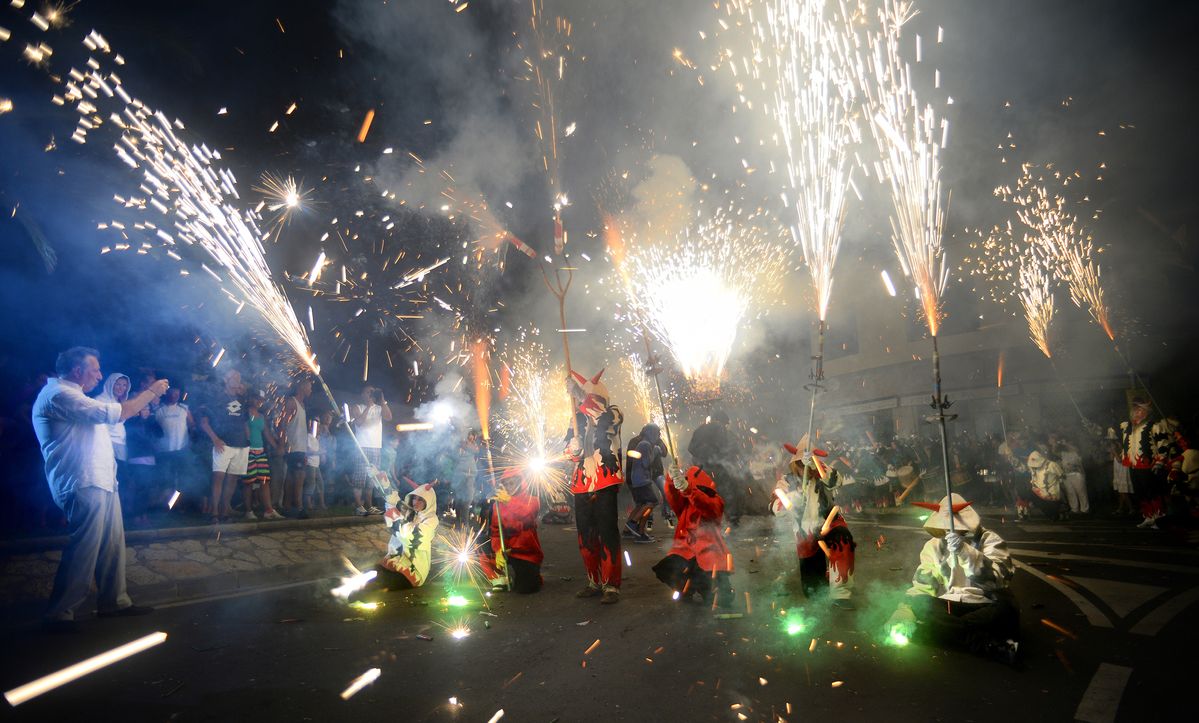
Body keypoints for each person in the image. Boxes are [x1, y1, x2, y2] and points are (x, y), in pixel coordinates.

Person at [31, 346, 168, 631]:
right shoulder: (59, 395)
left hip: (102, 480)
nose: (100, 374)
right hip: (83, 481)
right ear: (77, 370)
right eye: (95, 369)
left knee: (111, 546)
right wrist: (152, 390)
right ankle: (60, 613)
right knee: (85, 547)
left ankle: (114, 602)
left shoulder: (76, 395)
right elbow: (121, 413)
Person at [886, 493, 1019, 664]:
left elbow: (998, 579)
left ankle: (936, 633)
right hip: (951, 604)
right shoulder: (934, 546)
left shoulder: (989, 540)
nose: (950, 531)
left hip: (985, 603)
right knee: (920, 604)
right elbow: (923, 585)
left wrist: (965, 552)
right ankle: (986, 644)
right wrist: (903, 612)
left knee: (1007, 609)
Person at [770, 439, 854, 608]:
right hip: (804, 530)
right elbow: (775, 508)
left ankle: (840, 594)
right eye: (801, 464)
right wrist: (793, 500)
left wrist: (817, 465)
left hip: (830, 522)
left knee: (843, 540)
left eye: (807, 463)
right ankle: (820, 586)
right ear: (795, 464)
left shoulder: (822, 475)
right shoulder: (786, 481)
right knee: (813, 591)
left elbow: (837, 481)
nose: (804, 468)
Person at [565, 368, 624, 604]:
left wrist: (581, 396)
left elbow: (602, 420)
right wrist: (574, 449)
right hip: (582, 484)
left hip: (605, 479)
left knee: (607, 531)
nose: (591, 402)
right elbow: (567, 452)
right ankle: (594, 581)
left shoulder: (614, 412)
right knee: (586, 534)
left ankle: (611, 585)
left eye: (594, 398)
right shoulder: (575, 419)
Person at [653, 464, 734, 607]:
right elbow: (672, 496)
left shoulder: (715, 501)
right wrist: (671, 479)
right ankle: (687, 590)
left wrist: (689, 490)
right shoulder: (685, 504)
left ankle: (707, 589)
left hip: (709, 560)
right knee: (668, 568)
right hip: (687, 555)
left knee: (722, 599)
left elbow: (707, 506)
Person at [198, 369, 249, 524]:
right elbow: (204, 422)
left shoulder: (242, 400)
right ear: (226, 379)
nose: (238, 381)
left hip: (240, 445)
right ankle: (214, 513)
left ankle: (224, 511)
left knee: (232, 479)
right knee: (218, 478)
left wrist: (249, 442)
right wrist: (215, 439)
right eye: (235, 377)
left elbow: (245, 422)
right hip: (223, 444)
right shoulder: (217, 398)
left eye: (239, 378)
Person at [480, 471, 544, 594]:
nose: (510, 487)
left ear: (520, 482)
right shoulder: (497, 505)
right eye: (506, 484)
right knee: (481, 544)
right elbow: (495, 532)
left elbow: (527, 514)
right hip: (506, 549)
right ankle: (499, 578)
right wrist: (498, 550)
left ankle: (534, 575)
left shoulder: (533, 500)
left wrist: (509, 501)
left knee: (525, 589)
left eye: (512, 483)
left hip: (525, 552)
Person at [370, 484, 440, 591]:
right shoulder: (412, 512)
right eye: (414, 498)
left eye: (420, 499)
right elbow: (394, 500)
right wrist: (380, 479)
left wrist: (396, 520)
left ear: (428, 501)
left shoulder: (432, 520)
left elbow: (414, 536)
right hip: (399, 558)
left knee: (387, 580)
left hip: (415, 567)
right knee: (376, 571)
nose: (415, 502)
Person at [688, 410, 742, 524]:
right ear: (722, 421)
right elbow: (724, 446)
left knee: (705, 494)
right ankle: (732, 519)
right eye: (725, 423)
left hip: (700, 469)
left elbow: (690, 448)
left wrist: (702, 457)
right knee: (728, 491)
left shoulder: (700, 429)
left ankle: (705, 522)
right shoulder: (719, 427)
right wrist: (716, 457)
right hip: (716, 467)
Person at [349, 385, 391, 516]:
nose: (371, 394)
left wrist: (382, 400)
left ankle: (369, 505)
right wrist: (368, 405)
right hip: (362, 446)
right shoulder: (357, 407)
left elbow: (389, 417)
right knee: (359, 478)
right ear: (362, 394)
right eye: (368, 392)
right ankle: (358, 506)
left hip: (376, 447)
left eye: (372, 392)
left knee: (372, 479)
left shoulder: (380, 408)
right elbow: (359, 422)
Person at [245, 392, 285, 520]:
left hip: (260, 451)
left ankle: (268, 510)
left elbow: (267, 434)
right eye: (257, 399)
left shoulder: (262, 416)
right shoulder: (246, 413)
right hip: (249, 451)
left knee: (264, 480)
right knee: (249, 482)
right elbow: (246, 430)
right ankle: (248, 511)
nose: (259, 402)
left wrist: (277, 447)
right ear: (252, 398)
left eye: (261, 400)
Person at [624, 423, 664, 543]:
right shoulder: (645, 445)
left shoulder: (643, 444)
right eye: (657, 433)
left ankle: (637, 533)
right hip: (642, 480)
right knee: (652, 502)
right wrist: (656, 451)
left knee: (641, 504)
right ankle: (633, 524)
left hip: (638, 479)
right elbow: (646, 463)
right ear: (651, 433)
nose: (658, 436)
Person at [122, 405, 162, 527]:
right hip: (137, 460)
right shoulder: (133, 422)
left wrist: (152, 420)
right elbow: (139, 439)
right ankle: (137, 517)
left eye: (148, 410)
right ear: (138, 411)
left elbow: (160, 434)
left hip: (149, 460)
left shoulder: (150, 422)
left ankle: (143, 515)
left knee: (146, 489)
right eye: (143, 409)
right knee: (140, 489)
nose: (146, 412)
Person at [154, 386, 194, 503]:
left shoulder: (184, 408)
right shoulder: (159, 410)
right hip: (165, 450)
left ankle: (178, 504)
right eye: (172, 393)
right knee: (167, 479)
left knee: (182, 479)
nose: (174, 396)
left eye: (177, 394)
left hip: (182, 449)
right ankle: (166, 504)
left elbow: (192, 425)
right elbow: (153, 429)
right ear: (167, 393)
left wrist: (190, 443)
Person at [281, 378, 311, 518]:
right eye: (309, 387)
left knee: (293, 477)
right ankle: (298, 507)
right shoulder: (292, 402)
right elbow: (283, 423)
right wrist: (283, 443)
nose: (311, 390)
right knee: (298, 477)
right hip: (293, 447)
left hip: (300, 447)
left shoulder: (303, 404)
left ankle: (287, 507)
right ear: (302, 388)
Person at [96, 373, 131, 484]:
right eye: (118, 384)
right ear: (110, 384)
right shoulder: (100, 400)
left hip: (121, 445)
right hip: (108, 445)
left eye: (124, 385)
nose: (121, 388)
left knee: (120, 480)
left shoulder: (119, 403)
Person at [1026, 448, 1067, 521]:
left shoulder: (1052, 465)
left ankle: (1057, 515)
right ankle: (1053, 514)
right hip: (1038, 492)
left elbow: (1062, 475)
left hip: (1051, 493)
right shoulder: (1033, 467)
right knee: (1029, 495)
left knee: (1053, 513)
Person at [1057, 438, 1089, 516]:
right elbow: (1054, 452)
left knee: (1081, 492)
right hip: (1066, 475)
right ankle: (1074, 509)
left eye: (1071, 444)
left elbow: (1077, 454)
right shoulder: (1063, 453)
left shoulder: (1076, 452)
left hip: (1077, 474)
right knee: (1070, 493)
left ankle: (1084, 510)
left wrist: (1066, 443)